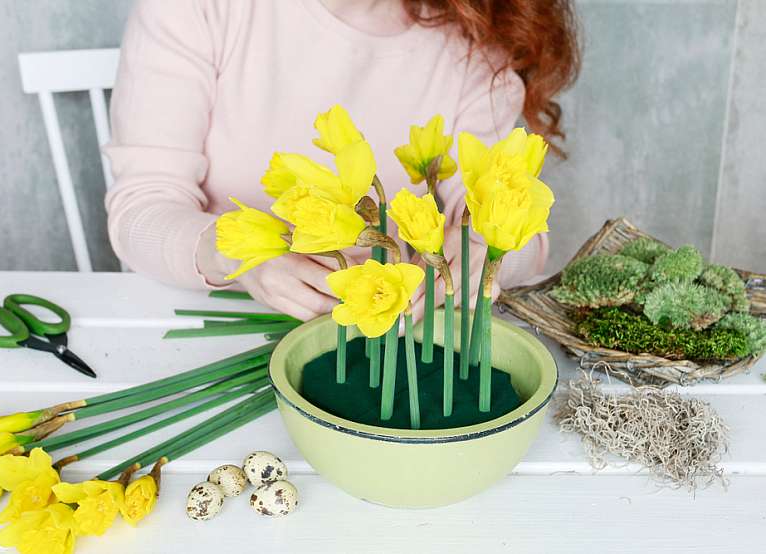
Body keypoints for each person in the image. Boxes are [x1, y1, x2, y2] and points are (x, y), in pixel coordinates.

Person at [105, 0, 580, 321]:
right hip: (200, 324)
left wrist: (483, 251)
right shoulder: (199, 9)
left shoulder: (475, 51)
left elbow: (524, 237)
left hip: (386, 346)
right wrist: (243, 256)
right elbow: (142, 207)